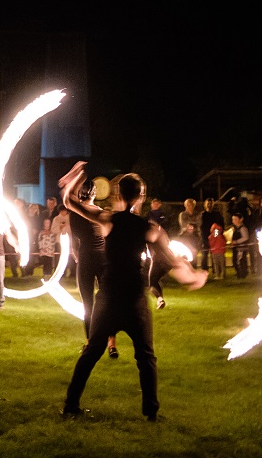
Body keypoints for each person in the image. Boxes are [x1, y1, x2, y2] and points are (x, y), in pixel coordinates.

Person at [59, 162, 207, 421]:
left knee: (92, 351)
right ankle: (151, 412)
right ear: (141, 196)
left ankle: (71, 406)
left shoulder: (107, 220)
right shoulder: (150, 229)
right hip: (134, 299)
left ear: (118, 194)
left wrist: (73, 179)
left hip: (108, 297)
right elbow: (173, 262)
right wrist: (194, 277)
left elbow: (69, 202)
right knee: (146, 357)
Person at [64, 178, 118, 358]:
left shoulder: (75, 214)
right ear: (95, 194)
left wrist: (76, 254)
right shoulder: (100, 213)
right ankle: (111, 343)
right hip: (103, 259)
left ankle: (89, 343)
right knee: (108, 302)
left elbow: (74, 241)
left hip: (86, 258)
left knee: (88, 304)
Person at [199, 198, 224, 273]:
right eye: (208, 204)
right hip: (205, 237)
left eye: (211, 204)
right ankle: (204, 271)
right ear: (205, 205)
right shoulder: (202, 215)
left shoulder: (217, 215)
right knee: (204, 255)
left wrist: (215, 236)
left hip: (215, 237)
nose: (209, 205)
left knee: (215, 255)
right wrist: (204, 238)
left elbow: (220, 225)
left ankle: (216, 271)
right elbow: (200, 227)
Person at [230, 212, 250, 279]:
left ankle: (242, 274)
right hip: (236, 247)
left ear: (240, 219)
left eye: (235, 219)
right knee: (236, 260)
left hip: (241, 248)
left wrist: (237, 242)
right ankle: (239, 273)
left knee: (241, 261)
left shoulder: (243, 228)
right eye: (233, 219)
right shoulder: (235, 228)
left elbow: (245, 237)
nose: (233, 221)